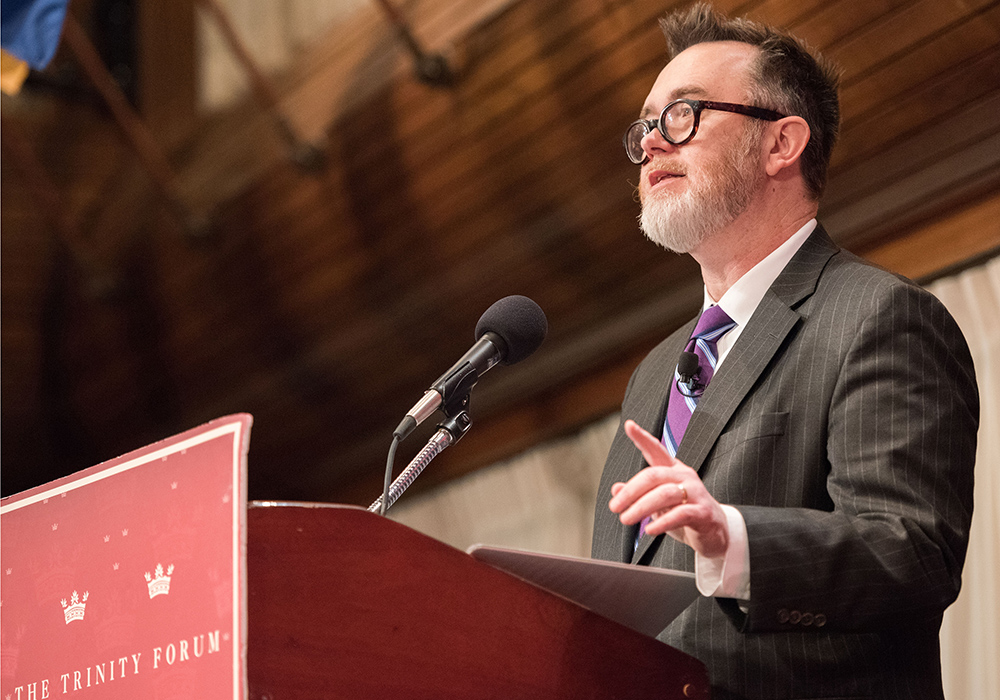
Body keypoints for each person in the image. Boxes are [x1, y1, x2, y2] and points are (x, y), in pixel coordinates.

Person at [590, 5, 979, 699]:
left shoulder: (877, 315)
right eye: (646, 125)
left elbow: (912, 553)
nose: (651, 143)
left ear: (781, 144)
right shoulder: (654, 372)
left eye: (682, 115)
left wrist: (731, 537)